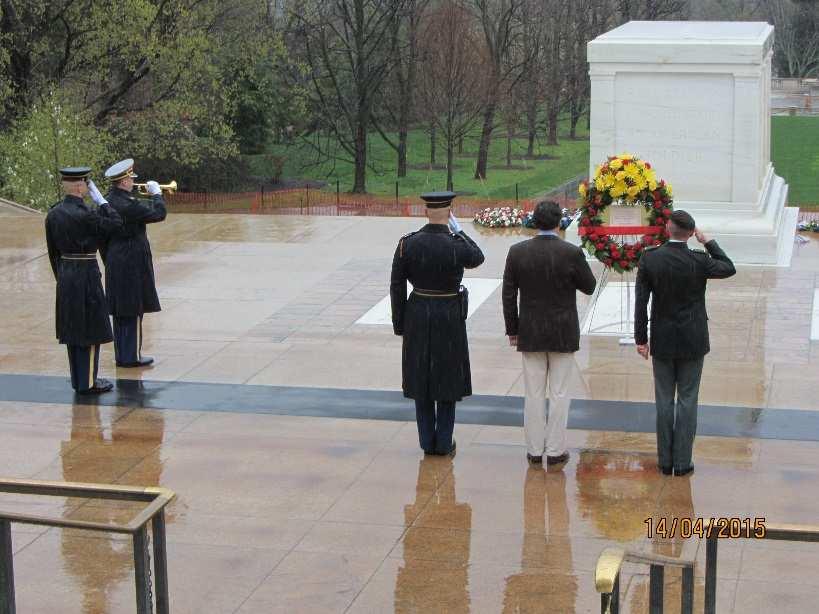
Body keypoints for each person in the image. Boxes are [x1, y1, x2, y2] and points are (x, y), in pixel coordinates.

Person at [634, 210, 736, 476]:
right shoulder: (699, 260)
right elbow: (728, 267)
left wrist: (641, 339)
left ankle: (664, 461)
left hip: (663, 338)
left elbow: (641, 303)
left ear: (668, 228)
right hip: (693, 338)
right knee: (688, 400)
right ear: (692, 233)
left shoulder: (651, 258)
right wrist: (708, 242)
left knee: (664, 400)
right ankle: (682, 462)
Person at [502, 200, 596, 466]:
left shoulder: (517, 251)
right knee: (559, 393)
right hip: (562, 331)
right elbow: (589, 286)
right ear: (559, 223)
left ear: (535, 221)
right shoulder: (571, 252)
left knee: (533, 393)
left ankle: (534, 450)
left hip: (530, 330)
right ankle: (555, 450)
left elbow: (509, 295)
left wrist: (512, 329)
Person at [390, 191, 484, 456]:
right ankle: (443, 441)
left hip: (418, 313)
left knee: (421, 378)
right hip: (449, 315)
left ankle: (425, 441)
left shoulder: (407, 244)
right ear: (450, 212)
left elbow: (396, 286)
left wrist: (400, 324)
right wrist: (460, 231)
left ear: (425, 212)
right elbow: (478, 257)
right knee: (447, 379)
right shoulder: (456, 244)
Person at [45, 167, 123, 394]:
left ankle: (78, 379)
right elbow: (117, 223)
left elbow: (52, 253)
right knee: (90, 330)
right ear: (81, 187)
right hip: (87, 273)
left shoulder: (53, 214)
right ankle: (88, 382)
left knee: (73, 329)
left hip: (66, 274)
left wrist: (62, 277)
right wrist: (103, 202)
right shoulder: (88, 214)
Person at [102, 159, 167, 367]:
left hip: (115, 258)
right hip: (132, 261)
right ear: (122, 182)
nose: (132, 181)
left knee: (121, 311)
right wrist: (157, 194)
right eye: (130, 178)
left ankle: (123, 354)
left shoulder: (106, 201)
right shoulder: (127, 204)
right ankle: (131, 357)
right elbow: (159, 213)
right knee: (132, 309)